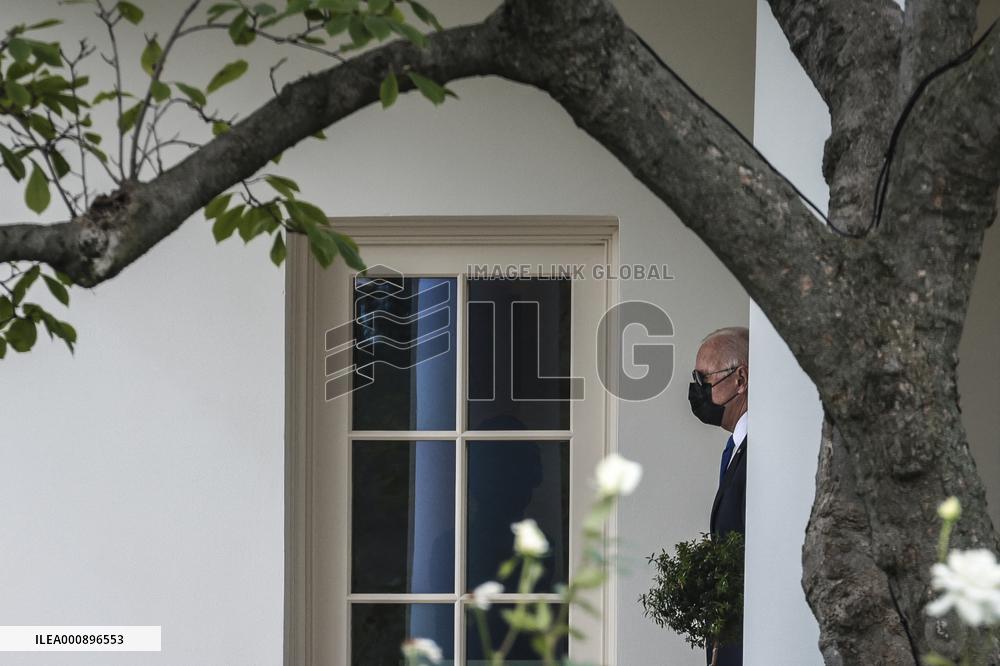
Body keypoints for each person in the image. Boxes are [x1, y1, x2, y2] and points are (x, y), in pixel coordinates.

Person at [688, 326, 748, 666]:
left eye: (704, 379)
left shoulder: (760, 451)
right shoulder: (736, 449)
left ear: (740, 379)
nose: (697, 391)